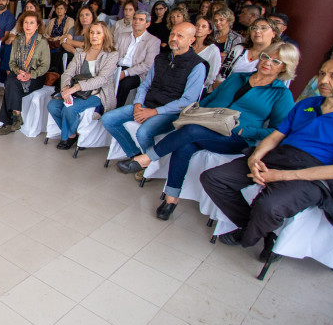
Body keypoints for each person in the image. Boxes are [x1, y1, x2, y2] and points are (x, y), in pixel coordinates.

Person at [202, 55, 333, 257]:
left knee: (268, 206)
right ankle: (264, 232)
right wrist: (254, 158)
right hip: (280, 157)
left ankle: (250, 233)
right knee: (214, 178)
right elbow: (276, 136)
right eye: (322, 74)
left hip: (314, 174)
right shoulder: (308, 104)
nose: (323, 80)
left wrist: (280, 176)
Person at [119, 42, 299, 220]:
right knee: (184, 145)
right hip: (205, 124)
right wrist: (193, 112)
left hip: (236, 137)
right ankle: (171, 198)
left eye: (276, 61)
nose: (268, 62)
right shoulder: (238, 78)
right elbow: (211, 97)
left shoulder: (281, 94)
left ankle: (146, 159)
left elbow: (279, 131)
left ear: (284, 68)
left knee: (191, 132)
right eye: (266, 57)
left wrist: (248, 131)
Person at [103, 23, 207, 162]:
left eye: (179, 36)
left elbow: (187, 101)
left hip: (171, 113)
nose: (173, 38)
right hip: (147, 104)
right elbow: (145, 85)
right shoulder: (161, 58)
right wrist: (138, 103)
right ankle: (135, 155)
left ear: (191, 40)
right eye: (172, 34)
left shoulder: (197, 65)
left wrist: (155, 112)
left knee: (144, 132)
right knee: (108, 119)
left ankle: (150, 164)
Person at [47, 21, 119, 150]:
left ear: (105, 36)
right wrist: (65, 88)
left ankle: (68, 137)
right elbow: (68, 73)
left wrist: (74, 88)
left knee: (70, 109)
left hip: (98, 93)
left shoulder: (111, 54)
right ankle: (73, 134)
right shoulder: (81, 52)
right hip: (76, 91)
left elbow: (101, 79)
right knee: (52, 105)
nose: (94, 36)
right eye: (91, 32)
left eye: (98, 33)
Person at [0, 10, 49, 134]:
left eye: (32, 23)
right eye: (26, 22)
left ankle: (10, 120)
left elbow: (45, 66)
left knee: (10, 84)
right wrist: (18, 71)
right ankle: (16, 117)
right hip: (19, 73)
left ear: (37, 26)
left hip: (36, 76)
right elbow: (12, 62)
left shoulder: (42, 42)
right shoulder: (18, 40)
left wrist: (30, 75)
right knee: (11, 81)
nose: (28, 25)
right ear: (22, 24)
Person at [214, 16, 278, 90]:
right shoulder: (239, 49)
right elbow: (221, 76)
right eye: (254, 28)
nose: (257, 31)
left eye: (263, 28)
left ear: (274, 33)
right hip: (223, 91)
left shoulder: (275, 58)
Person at [114, 11, 161, 108]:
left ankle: (116, 110)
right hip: (118, 66)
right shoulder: (123, 35)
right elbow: (114, 54)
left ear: (147, 24)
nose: (136, 22)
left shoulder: (153, 41)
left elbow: (148, 65)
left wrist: (125, 73)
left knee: (124, 85)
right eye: (135, 19)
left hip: (136, 71)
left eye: (141, 20)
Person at [59, 6, 95, 74]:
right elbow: (63, 43)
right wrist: (74, 51)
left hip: (87, 57)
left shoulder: (95, 29)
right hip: (73, 54)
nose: (84, 17)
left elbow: (84, 45)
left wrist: (68, 41)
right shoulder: (74, 28)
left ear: (92, 16)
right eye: (81, 15)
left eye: (87, 14)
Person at [192, 16, 222, 93]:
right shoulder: (188, 45)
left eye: (203, 26)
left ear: (209, 31)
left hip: (200, 87)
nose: (199, 28)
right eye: (197, 25)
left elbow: (211, 75)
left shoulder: (213, 50)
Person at [44, 1, 75, 71]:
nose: (59, 10)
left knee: (58, 49)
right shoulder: (52, 20)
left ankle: (54, 69)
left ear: (65, 10)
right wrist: (49, 38)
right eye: (57, 8)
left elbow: (68, 34)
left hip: (61, 42)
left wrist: (55, 39)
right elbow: (46, 33)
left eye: (61, 8)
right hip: (50, 42)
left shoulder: (70, 20)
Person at [0, 0, 18, 83]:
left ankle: (1, 83)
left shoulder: (10, 17)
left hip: (2, 44)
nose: (0, 2)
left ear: (7, 2)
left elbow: (6, 35)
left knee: (5, 52)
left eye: (3, 0)